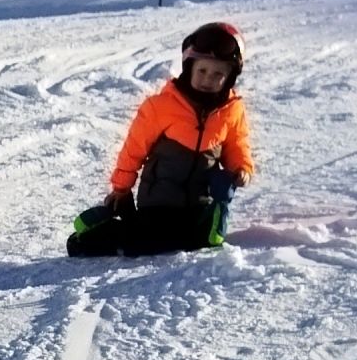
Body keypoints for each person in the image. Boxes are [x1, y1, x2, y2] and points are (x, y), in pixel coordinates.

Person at [68, 22, 255, 258]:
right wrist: (122, 188)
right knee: (150, 245)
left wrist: (242, 169)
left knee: (202, 243)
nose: (208, 79)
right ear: (189, 68)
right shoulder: (161, 106)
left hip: (200, 201)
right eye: (202, 71)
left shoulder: (232, 111)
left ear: (229, 78)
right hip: (159, 200)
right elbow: (134, 148)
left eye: (218, 74)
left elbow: (238, 144)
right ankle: (92, 233)